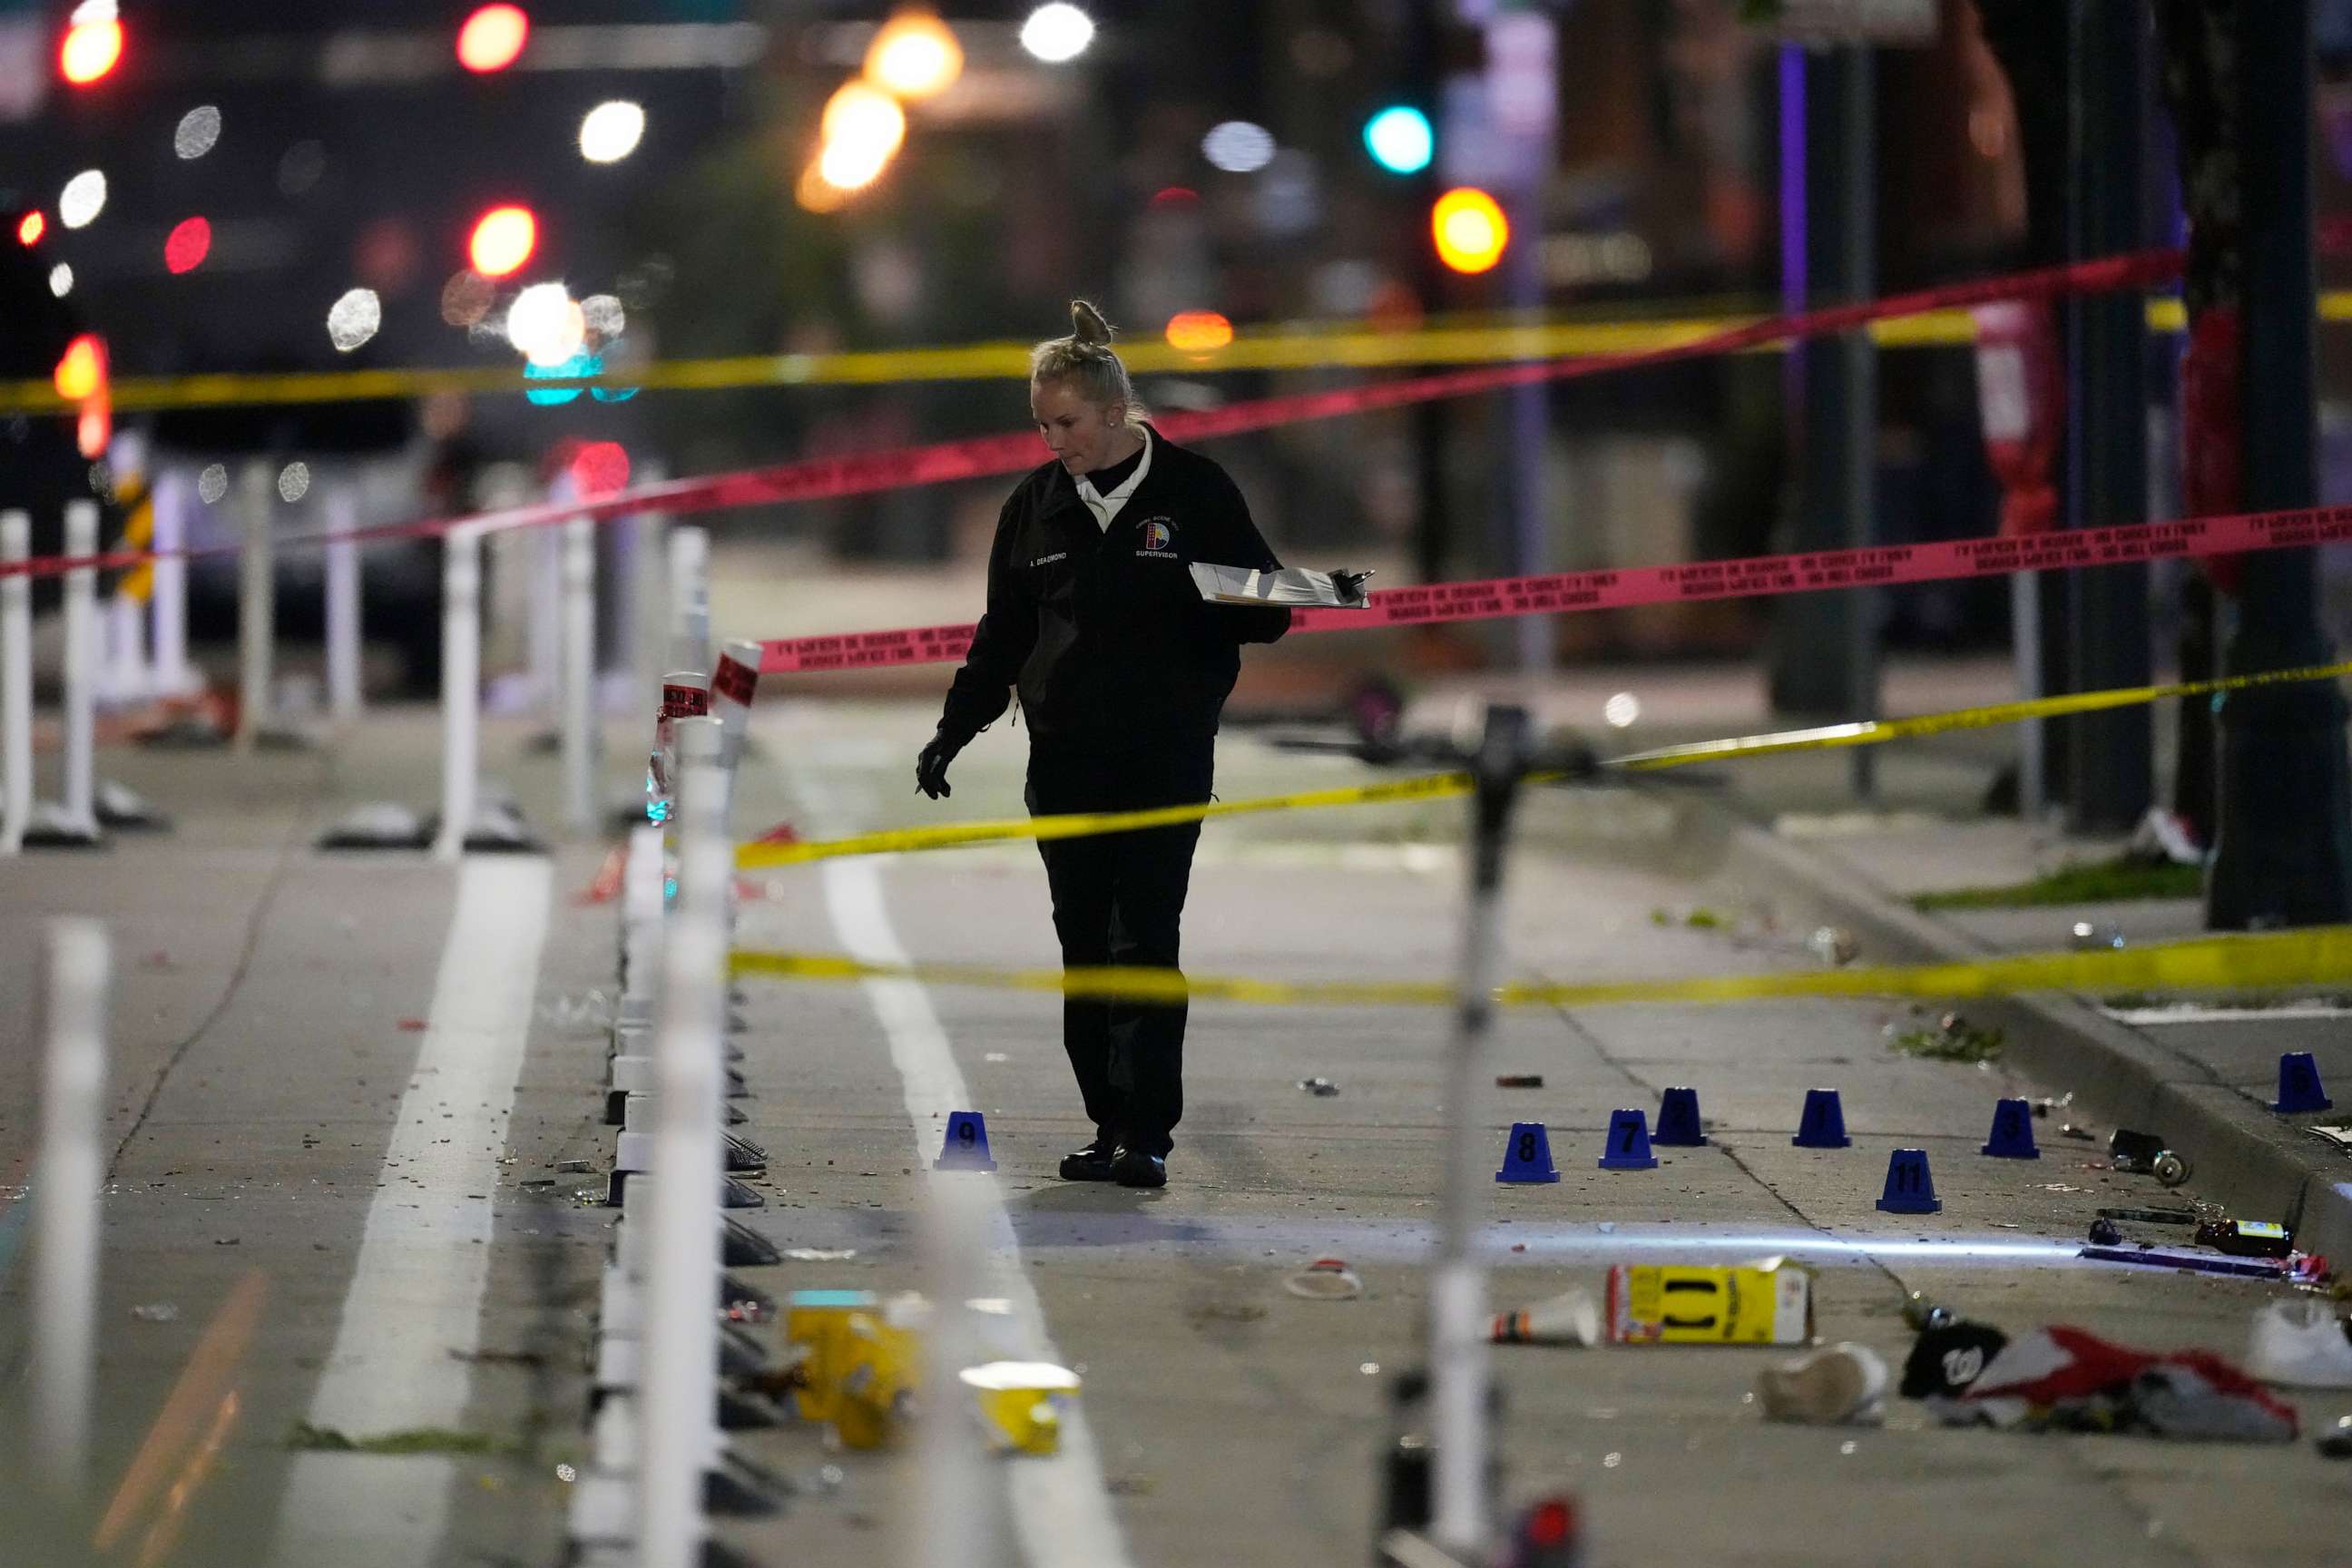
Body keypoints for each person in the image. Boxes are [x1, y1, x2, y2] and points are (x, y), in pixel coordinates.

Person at [915, 300, 1290, 1189]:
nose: (1055, 442)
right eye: (1042, 426)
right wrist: (953, 732)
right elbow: (1002, 634)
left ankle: (1148, 1134)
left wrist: (1212, 601)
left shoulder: (1197, 493)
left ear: (1116, 413)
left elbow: (1270, 615)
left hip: (1165, 756)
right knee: (1084, 945)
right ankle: (1107, 1124)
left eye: (1069, 424)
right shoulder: (1033, 507)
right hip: (1066, 762)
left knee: (1144, 940)